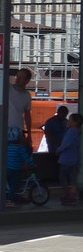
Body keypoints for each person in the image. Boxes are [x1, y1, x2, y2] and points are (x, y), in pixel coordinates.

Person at [5, 68, 33, 208]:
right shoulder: (7, 89)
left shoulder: (27, 96)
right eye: (17, 76)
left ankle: (13, 192)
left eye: (21, 77)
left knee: (16, 162)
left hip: (18, 131)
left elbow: (27, 115)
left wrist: (29, 133)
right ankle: (10, 192)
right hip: (5, 130)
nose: (17, 79)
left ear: (27, 81)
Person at [57, 112, 83, 205]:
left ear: (75, 122)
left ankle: (69, 195)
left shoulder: (71, 131)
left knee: (63, 177)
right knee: (73, 179)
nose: (68, 121)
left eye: (70, 120)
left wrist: (58, 150)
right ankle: (72, 196)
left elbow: (66, 144)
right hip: (74, 160)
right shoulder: (78, 132)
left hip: (67, 159)